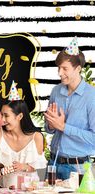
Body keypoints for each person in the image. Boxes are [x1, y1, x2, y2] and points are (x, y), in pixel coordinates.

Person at [44, 37, 95, 180]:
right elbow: (49, 129)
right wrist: (50, 123)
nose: (60, 73)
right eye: (58, 68)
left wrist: (63, 126)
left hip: (77, 167)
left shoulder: (92, 96)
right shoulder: (56, 91)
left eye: (65, 68)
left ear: (78, 69)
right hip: (53, 163)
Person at [0, 81, 47, 188]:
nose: (2, 120)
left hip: (31, 190)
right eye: (1, 115)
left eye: (6, 116)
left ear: (20, 116)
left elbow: (38, 167)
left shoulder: (37, 137)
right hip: (7, 190)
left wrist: (24, 166)